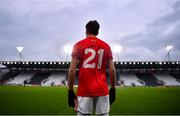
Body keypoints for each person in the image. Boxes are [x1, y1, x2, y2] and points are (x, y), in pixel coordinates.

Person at [68, 20, 116, 115]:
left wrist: (70, 90)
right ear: (98, 32)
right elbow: (112, 70)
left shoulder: (77, 45)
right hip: (102, 90)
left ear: (86, 30)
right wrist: (113, 88)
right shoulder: (106, 46)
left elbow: (72, 70)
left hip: (84, 91)